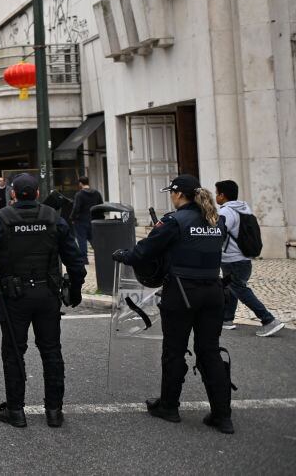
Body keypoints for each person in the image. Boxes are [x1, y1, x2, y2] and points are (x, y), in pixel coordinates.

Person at [112, 175, 235, 434]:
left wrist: (123, 255)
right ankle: (223, 415)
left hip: (182, 293)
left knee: (174, 351)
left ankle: (169, 406)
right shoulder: (216, 220)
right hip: (213, 292)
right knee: (209, 351)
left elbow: (145, 250)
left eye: (172, 193)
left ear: (179, 194)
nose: (171, 197)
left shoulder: (174, 220)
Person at [0, 174, 85, 429]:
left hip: (14, 297)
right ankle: (54, 412)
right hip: (47, 294)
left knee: (14, 353)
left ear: (13, 194)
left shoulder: (1, 220)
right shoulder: (53, 219)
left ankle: (16, 412)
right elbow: (76, 261)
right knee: (51, 352)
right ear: (36, 193)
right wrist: (75, 291)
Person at [215, 180, 283, 337]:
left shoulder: (226, 213)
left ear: (222, 195)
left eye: (217, 193)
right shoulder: (244, 208)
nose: (216, 196)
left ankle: (268, 320)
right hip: (242, 259)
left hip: (233, 259)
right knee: (231, 287)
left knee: (239, 289)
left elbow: (219, 234)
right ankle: (227, 319)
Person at [69, 176, 103, 265]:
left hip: (81, 221)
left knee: (81, 240)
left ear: (80, 183)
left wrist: (72, 218)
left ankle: (84, 259)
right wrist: (100, 218)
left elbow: (76, 208)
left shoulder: (79, 195)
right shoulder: (97, 193)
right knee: (93, 239)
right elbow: (100, 206)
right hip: (94, 220)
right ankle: (100, 256)